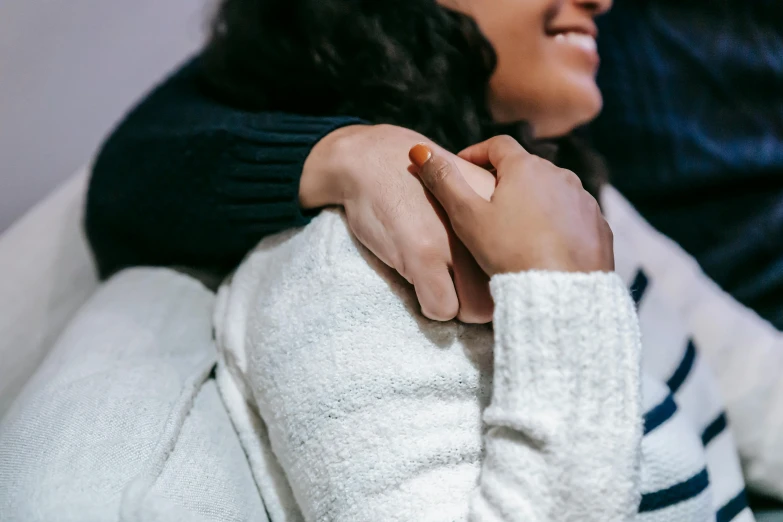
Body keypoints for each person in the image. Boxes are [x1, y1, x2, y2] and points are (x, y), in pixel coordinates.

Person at [85, 0, 766, 518]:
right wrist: (560, 295)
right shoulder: (345, 269)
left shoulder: (562, 195)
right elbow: (126, 173)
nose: (602, 1)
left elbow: (758, 385)